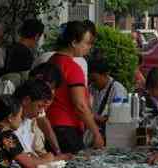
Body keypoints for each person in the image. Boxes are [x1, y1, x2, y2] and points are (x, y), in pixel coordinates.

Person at [47, 21, 104, 154]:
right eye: (87, 43)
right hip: (67, 129)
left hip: (51, 126)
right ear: (74, 42)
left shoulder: (52, 61)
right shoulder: (72, 67)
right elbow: (80, 105)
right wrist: (96, 133)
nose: (89, 47)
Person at [28, 63, 65, 156]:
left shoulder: (39, 96)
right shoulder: (8, 84)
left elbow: (42, 120)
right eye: (50, 87)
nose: (50, 92)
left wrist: (57, 151)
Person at [88, 60, 128, 137]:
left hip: (112, 134)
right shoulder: (92, 88)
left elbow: (117, 119)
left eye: (94, 79)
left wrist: (92, 117)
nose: (92, 83)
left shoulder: (117, 90)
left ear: (105, 75)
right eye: (91, 80)